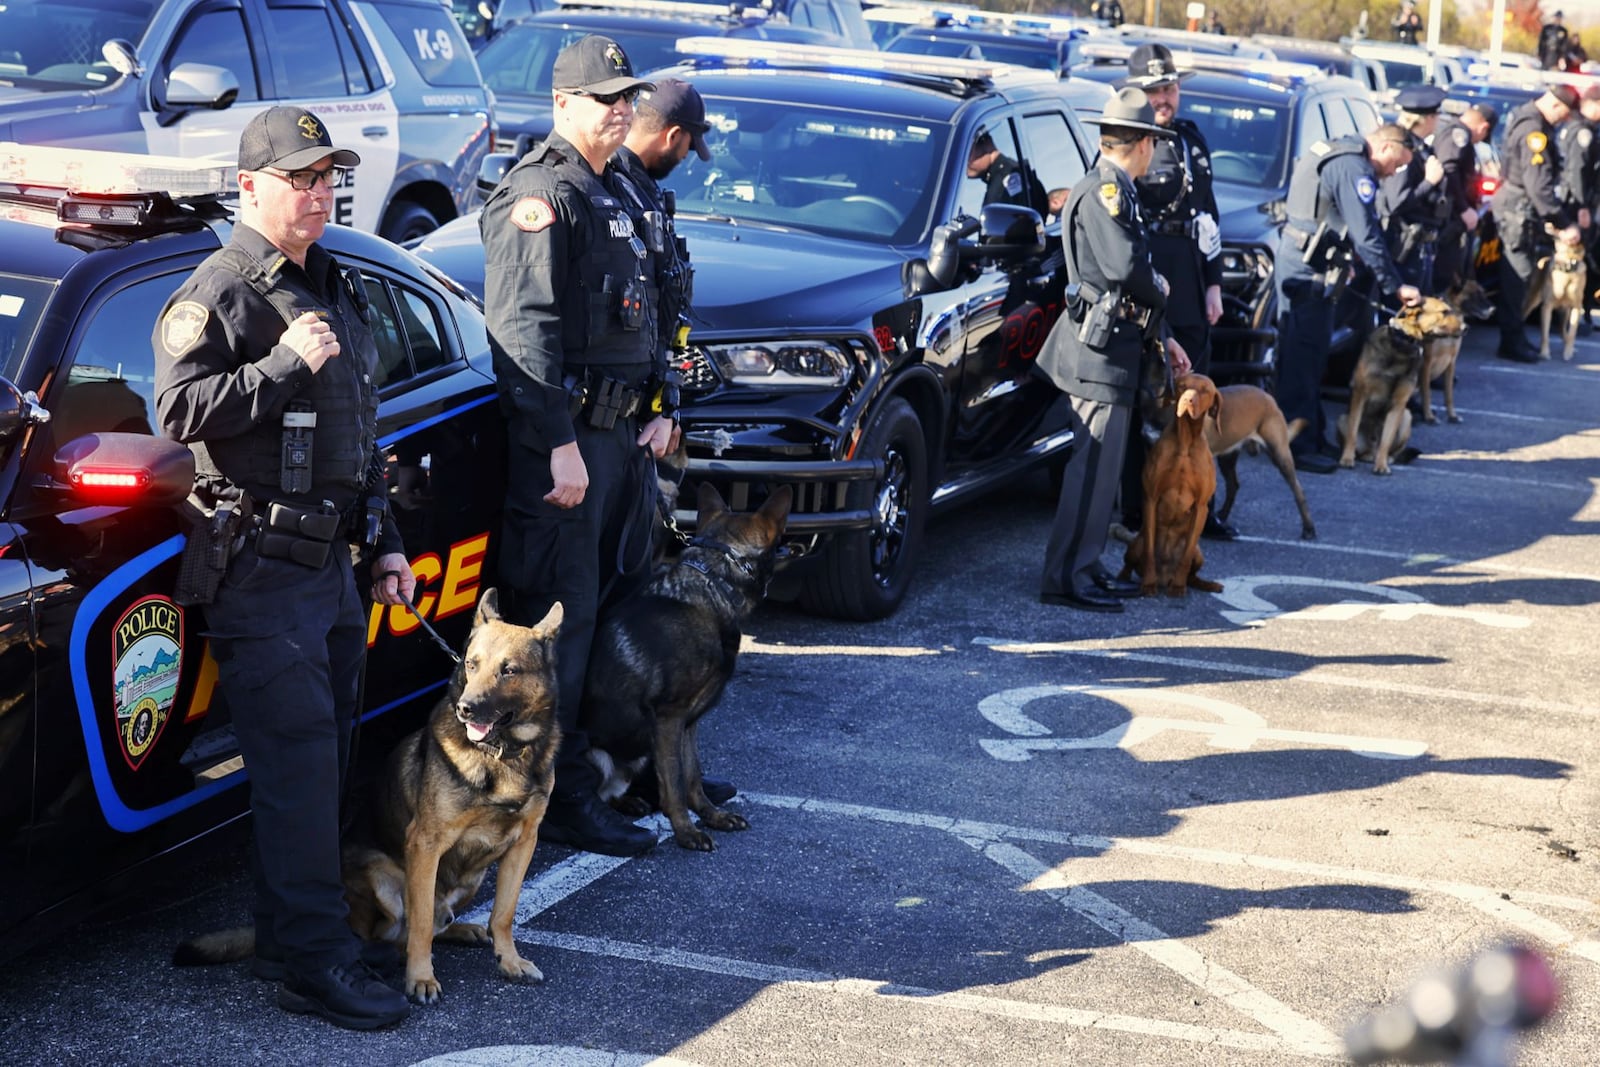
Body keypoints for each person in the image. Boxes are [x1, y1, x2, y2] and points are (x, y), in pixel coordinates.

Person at [153, 106, 416, 1031]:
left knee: (327, 759)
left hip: (331, 565)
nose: (318, 191)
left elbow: (361, 432)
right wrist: (279, 364)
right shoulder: (222, 288)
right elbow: (178, 411)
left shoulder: (328, 275)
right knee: (300, 769)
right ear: (250, 185)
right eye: (300, 177)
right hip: (261, 570)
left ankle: (287, 937)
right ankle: (314, 961)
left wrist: (382, 538)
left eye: (327, 176)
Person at [479, 35, 676, 857]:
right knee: (566, 620)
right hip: (568, 445)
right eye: (604, 98)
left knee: (609, 608)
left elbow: (653, 303)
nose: (621, 108)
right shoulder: (541, 194)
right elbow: (525, 333)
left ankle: (593, 776)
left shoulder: (619, 184)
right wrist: (557, 442)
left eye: (626, 95)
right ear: (563, 106)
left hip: (621, 435)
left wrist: (664, 405)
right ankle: (548, 798)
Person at [608, 77, 736, 808]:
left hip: (653, 425)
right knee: (629, 611)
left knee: (646, 599)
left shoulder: (648, 198)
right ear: (676, 137)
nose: (688, 157)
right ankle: (631, 774)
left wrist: (674, 397)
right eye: (690, 146)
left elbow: (664, 316)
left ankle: (660, 774)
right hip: (620, 434)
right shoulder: (609, 193)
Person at [1036, 87, 1191, 614]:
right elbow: (1127, 268)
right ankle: (1066, 578)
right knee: (1092, 467)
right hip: (1098, 349)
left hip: (1115, 345)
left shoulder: (1115, 189)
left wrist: (1164, 336)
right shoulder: (1108, 191)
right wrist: (1163, 289)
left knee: (1101, 471)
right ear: (1143, 143)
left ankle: (1085, 563)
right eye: (1154, 143)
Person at [1118, 43, 1234, 541]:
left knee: (1196, 397)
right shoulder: (1131, 144)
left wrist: (1214, 283)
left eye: (1169, 87)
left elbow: (1208, 213)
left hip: (1189, 276)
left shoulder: (1191, 139)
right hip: (1151, 277)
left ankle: (1195, 507)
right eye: (1154, 89)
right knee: (1148, 402)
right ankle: (1136, 513)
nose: (1163, 97)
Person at [1273, 125, 1423, 475]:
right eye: (1396, 163)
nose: (1393, 172)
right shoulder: (1354, 167)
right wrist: (1395, 285)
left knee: (1307, 354)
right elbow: (1366, 233)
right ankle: (1295, 445)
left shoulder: (1339, 151)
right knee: (1303, 356)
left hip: (1309, 259)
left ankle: (1310, 433)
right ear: (1385, 146)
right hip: (1309, 269)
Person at [1492, 84, 1580, 362]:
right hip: (1518, 209)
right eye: (1563, 115)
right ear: (1555, 105)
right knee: (1517, 277)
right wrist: (1564, 222)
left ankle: (1515, 336)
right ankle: (1510, 341)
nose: (1563, 121)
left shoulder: (1526, 116)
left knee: (1522, 275)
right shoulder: (1534, 130)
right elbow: (1538, 185)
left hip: (1518, 207)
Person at [1378, 85, 1449, 297]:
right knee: (1405, 316)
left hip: (1420, 244)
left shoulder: (1420, 148)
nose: (1438, 120)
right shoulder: (1404, 148)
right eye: (1436, 115)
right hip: (1405, 247)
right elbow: (1396, 201)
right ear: (1427, 119)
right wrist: (1429, 181)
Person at [1430, 101, 1496, 291]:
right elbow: (1449, 171)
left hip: (1450, 215)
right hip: (1449, 216)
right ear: (1484, 127)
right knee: (1445, 274)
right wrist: (1464, 208)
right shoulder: (1460, 135)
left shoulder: (1452, 129)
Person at [1559, 84, 1600, 329]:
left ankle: (1580, 311)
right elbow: (1577, 171)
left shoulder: (1585, 128)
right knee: (1580, 259)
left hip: (1581, 202)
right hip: (1577, 205)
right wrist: (1583, 206)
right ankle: (1571, 315)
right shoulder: (1581, 130)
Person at [967, 127, 1047, 214]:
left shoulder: (1009, 178)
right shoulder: (1001, 178)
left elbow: (1026, 222)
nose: (964, 163)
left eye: (967, 154)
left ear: (987, 143)